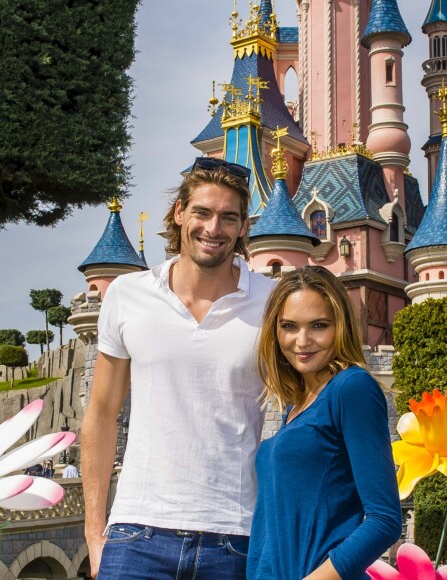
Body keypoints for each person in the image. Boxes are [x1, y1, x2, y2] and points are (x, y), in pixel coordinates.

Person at [81, 157, 276, 579]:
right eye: (202, 212)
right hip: (136, 534)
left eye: (228, 217)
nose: (213, 228)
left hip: (235, 536)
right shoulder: (128, 294)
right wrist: (95, 534)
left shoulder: (273, 302)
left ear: (244, 227)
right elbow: (99, 414)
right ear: (179, 213)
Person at [247, 266, 402, 580]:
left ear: (340, 326)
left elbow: (384, 520)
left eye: (318, 325)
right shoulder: (296, 403)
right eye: (289, 326)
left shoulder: (352, 388)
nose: (302, 341)